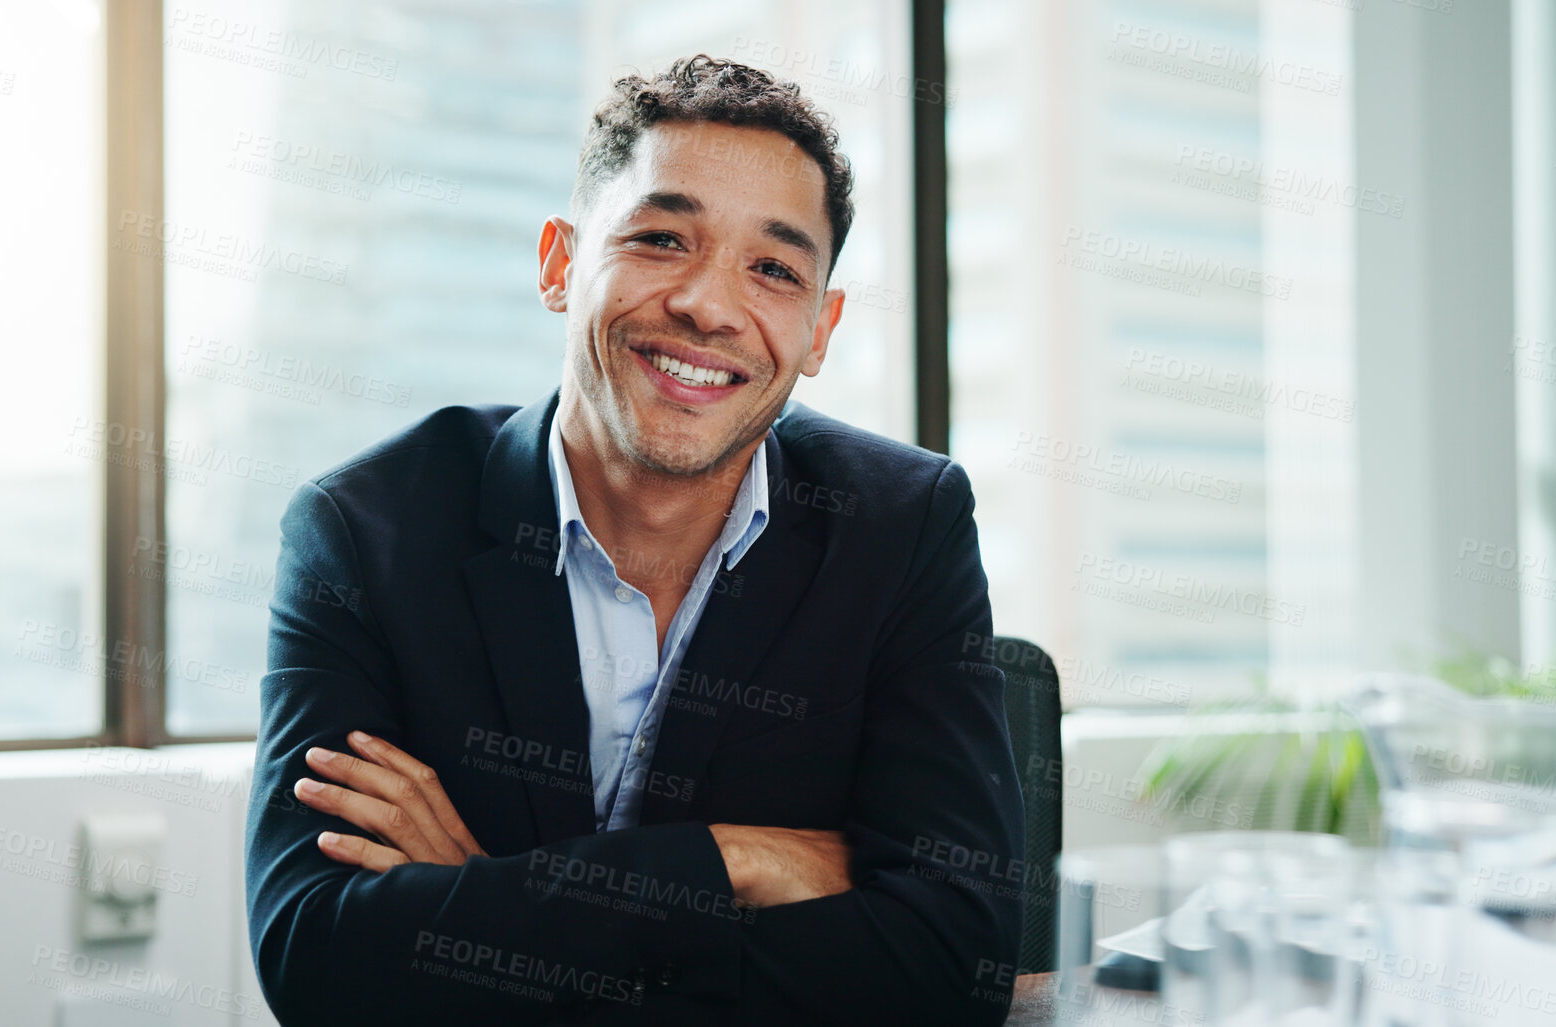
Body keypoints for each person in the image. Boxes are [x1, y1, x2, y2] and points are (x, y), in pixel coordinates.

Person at [245, 53, 1023, 1025]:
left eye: (773, 269)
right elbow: (316, 957)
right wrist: (728, 861)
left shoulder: (904, 522)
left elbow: (955, 959)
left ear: (820, 330)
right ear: (560, 265)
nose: (707, 305)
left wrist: (490, 903)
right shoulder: (365, 531)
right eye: (660, 239)